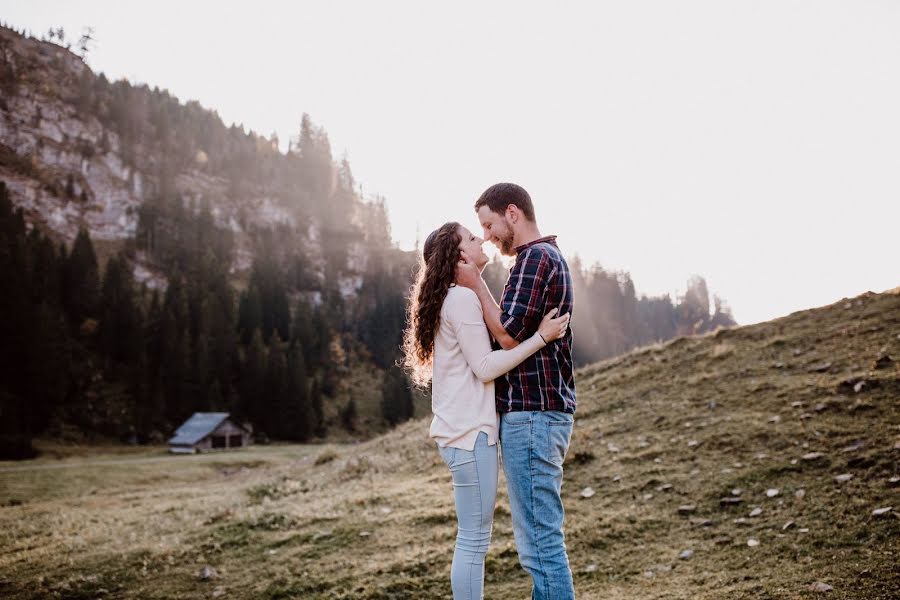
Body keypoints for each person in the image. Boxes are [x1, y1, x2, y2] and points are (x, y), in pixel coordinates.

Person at [402, 220, 570, 600]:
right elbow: (485, 367)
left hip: (462, 432)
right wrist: (541, 338)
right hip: (469, 434)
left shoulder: (454, 297)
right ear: (460, 254)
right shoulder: (461, 300)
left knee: (473, 538)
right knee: (474, 541)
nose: (483, 241)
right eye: (474, 238)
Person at [456, 182, 577, 600]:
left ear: (512, 214)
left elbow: (507, 335)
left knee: (540, 545)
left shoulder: (535, 258)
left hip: (533, 414)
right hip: (541, 414)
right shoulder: (545, 257)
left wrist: (474, 284)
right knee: (539, 542)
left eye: (488, 225)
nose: (487, 235)